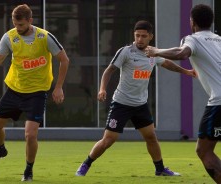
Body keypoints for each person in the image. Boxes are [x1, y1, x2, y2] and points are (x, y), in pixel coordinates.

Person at [75, 20, 196, 177]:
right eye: (137, 35)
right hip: (121, 104)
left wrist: (186, 72)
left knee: (151, 137)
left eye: (143, 36)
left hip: (140, 105)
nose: (139, 39)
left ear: (150, 37)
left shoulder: (154, 53)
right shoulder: (126, 52)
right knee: (108, 140)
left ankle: (160, 169)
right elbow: (109, 70)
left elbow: (166, 63)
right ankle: (85, 164)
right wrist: (102, 88)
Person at [0, 4, 69, 182]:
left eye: (21, 26)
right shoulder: (9, 37)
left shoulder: (45, 37)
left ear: (30, 21)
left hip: (37, 93)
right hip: (14, 90)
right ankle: (0, 150)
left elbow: (64, 60)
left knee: (30, 134)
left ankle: (28, 170)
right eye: (15, 25)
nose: (18, 29)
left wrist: (58, 87)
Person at [145, 4, 221, 183]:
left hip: (219, 102)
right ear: (210, 22)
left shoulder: (192, 39)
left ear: (192, 22)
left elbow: (182, 53)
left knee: (204, 150)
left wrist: (156, 51)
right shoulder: (219, 39)